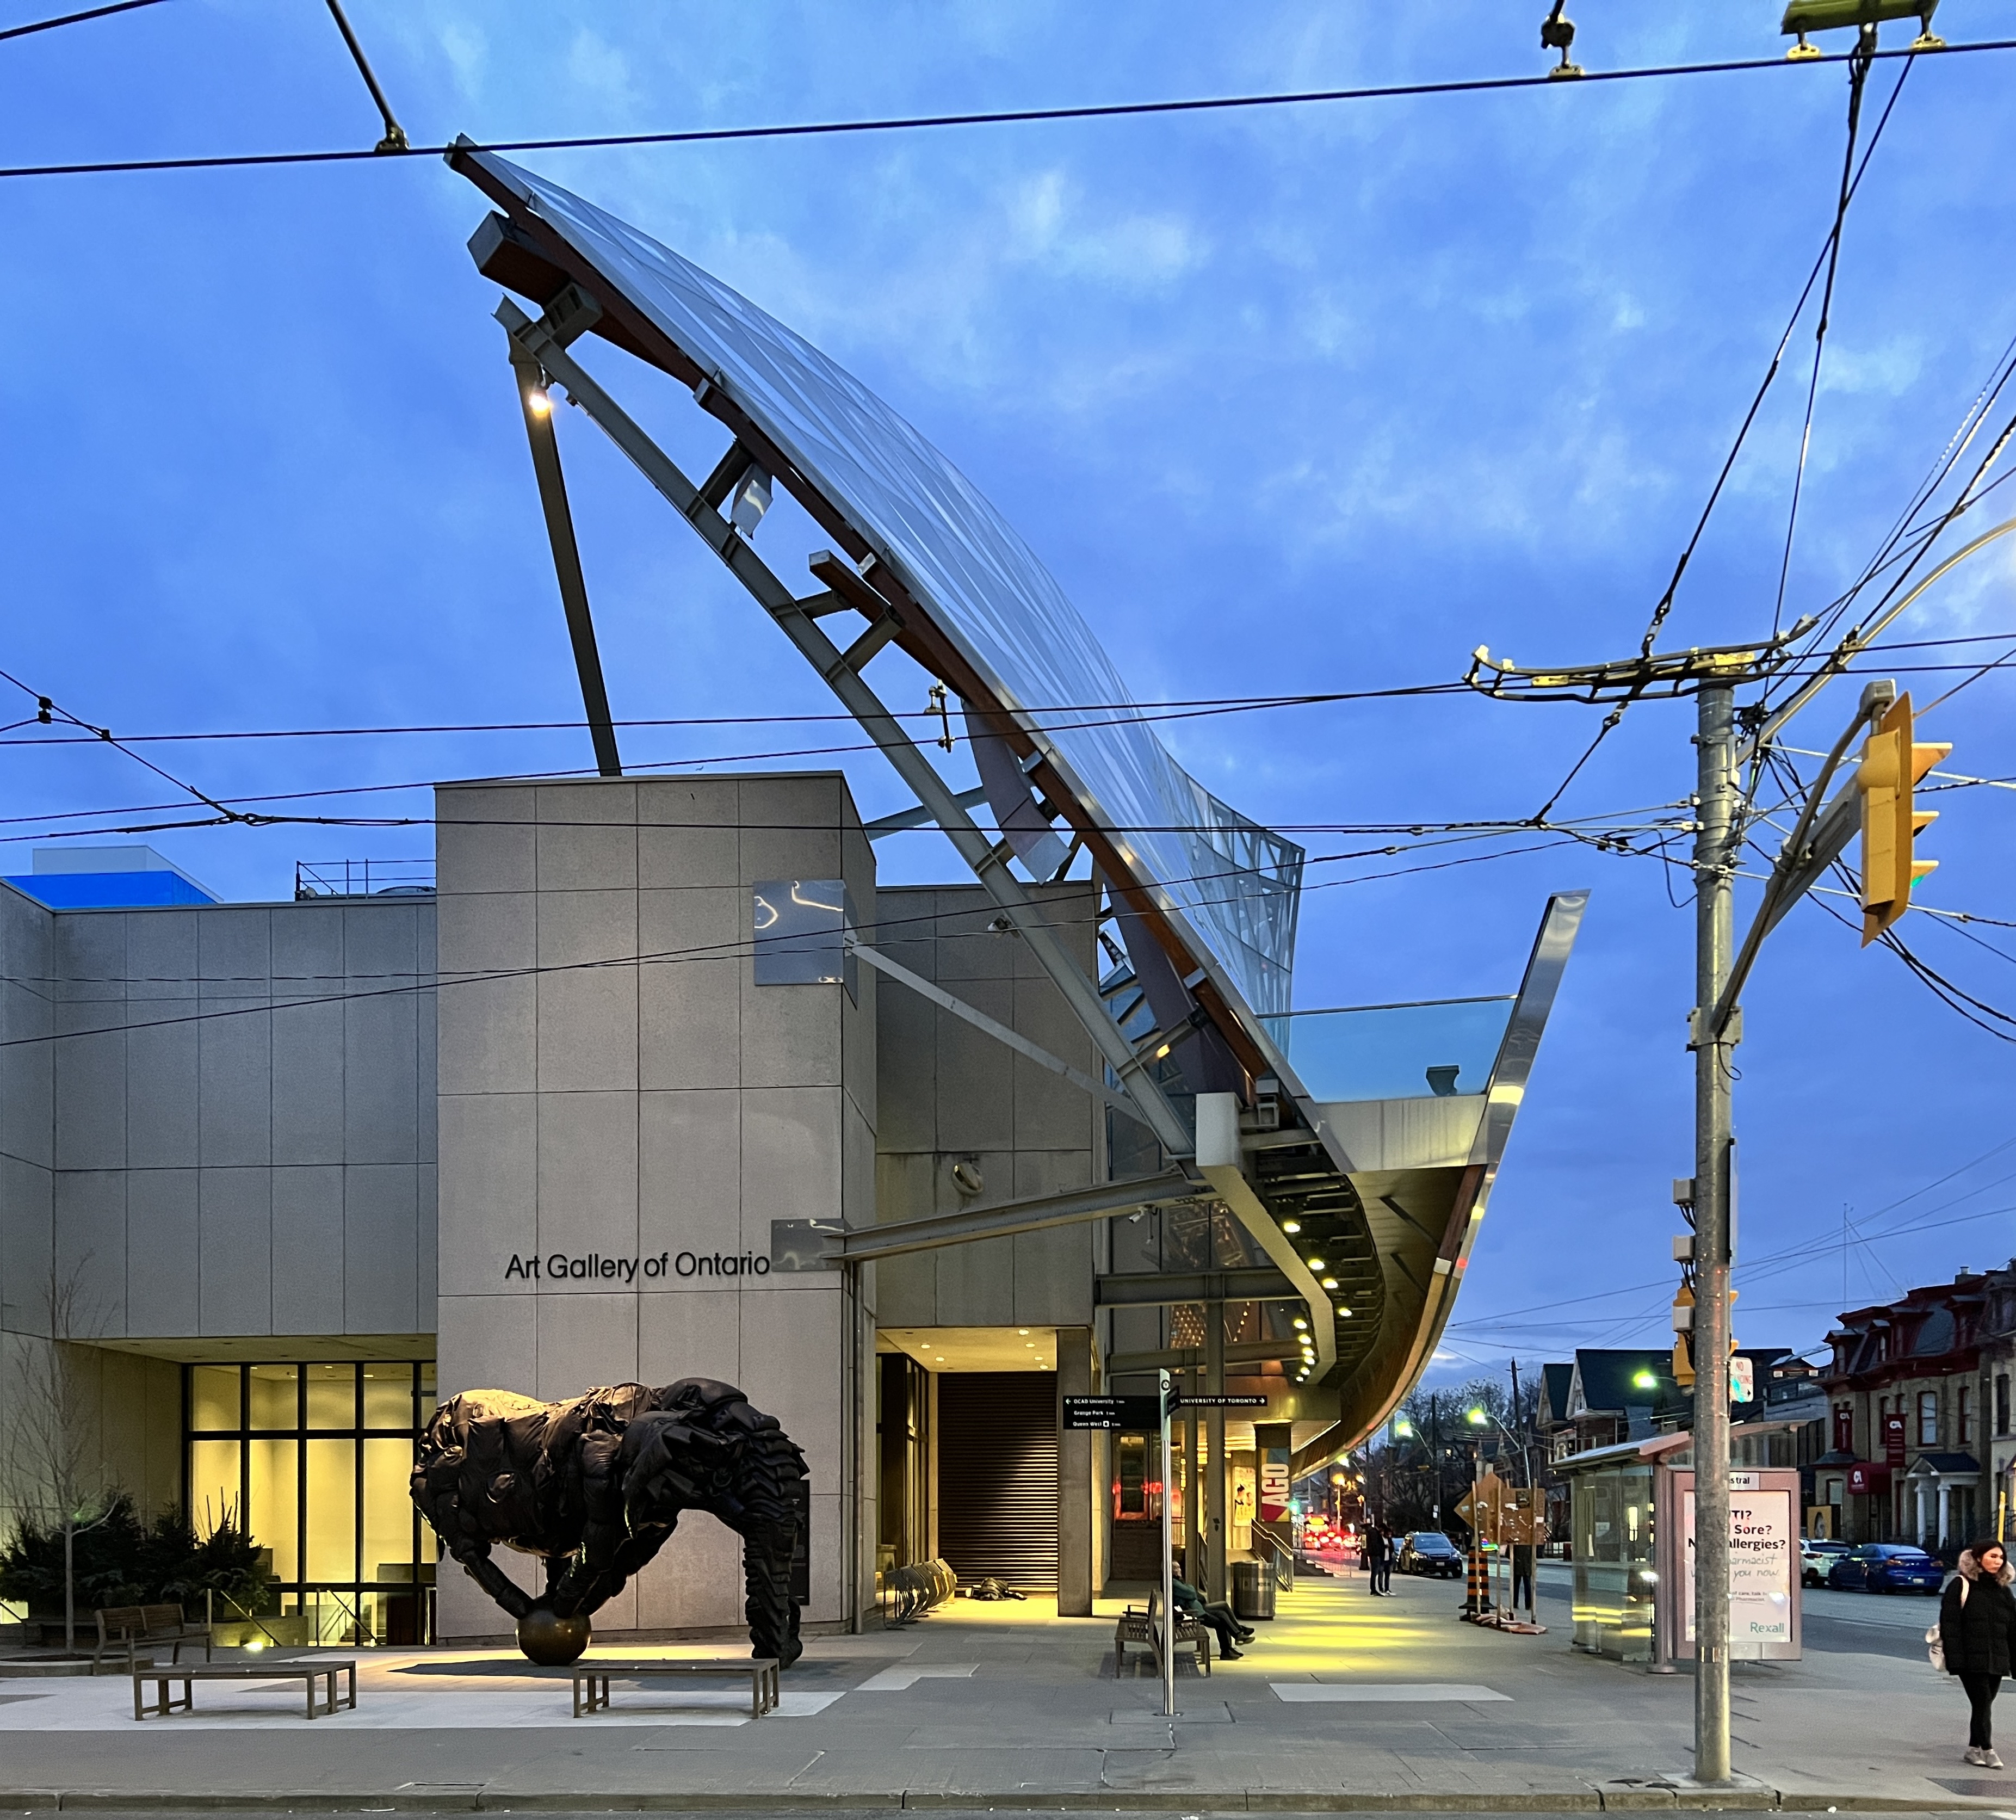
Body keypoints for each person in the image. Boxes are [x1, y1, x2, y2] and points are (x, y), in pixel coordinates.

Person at [1940, 1537, 2016, 1768]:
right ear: (1978, 1558)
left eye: (2001, 1557)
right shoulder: (1961, 1585)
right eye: (1993, 1556)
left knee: (1983, 1705)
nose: (1998, 1561)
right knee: (1982, 1702)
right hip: (1970, 1659)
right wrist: (1956, 1660)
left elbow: (2013, 1629)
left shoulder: (2003, 1590)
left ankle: (1973, 1750)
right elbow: (1950, 1626)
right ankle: (1988, 1750)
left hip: (1998, 1658)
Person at [1170, 1571, 1254, 1660]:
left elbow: (1191, 1593)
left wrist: (1188, 1588)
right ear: (1172, 1571)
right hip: (1195, 1614)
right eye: (1177, 1568)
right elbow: (1192, 1593)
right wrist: (1189, 1587)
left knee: (1222, 1614)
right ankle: (1230, 1646)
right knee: (1221, 1621)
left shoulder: (1177, 1582)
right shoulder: (1175, 1583)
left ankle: (1234, 1640)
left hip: (1198, 1611)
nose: (1179, 1570)